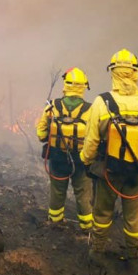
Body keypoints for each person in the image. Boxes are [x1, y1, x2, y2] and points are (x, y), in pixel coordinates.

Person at [79, 49, 138, 261]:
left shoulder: (102, 102)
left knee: (102, 214)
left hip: (109, 171)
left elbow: (91, 141)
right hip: (137, 172)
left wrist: (85, 160)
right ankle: (134, 255)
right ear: (135, 72)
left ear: (113, 72)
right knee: (134, 219)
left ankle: (97, 252)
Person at [35, 67, 93, 232]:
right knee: (83, 194)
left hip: (57, 158)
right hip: (81, 161)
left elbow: (41, 134)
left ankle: (55, 222)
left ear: (65, 85)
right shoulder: (91, 109)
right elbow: (95, 137)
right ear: (84, 86)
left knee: (57, 191)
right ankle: (87, 229)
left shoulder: (53, 106)